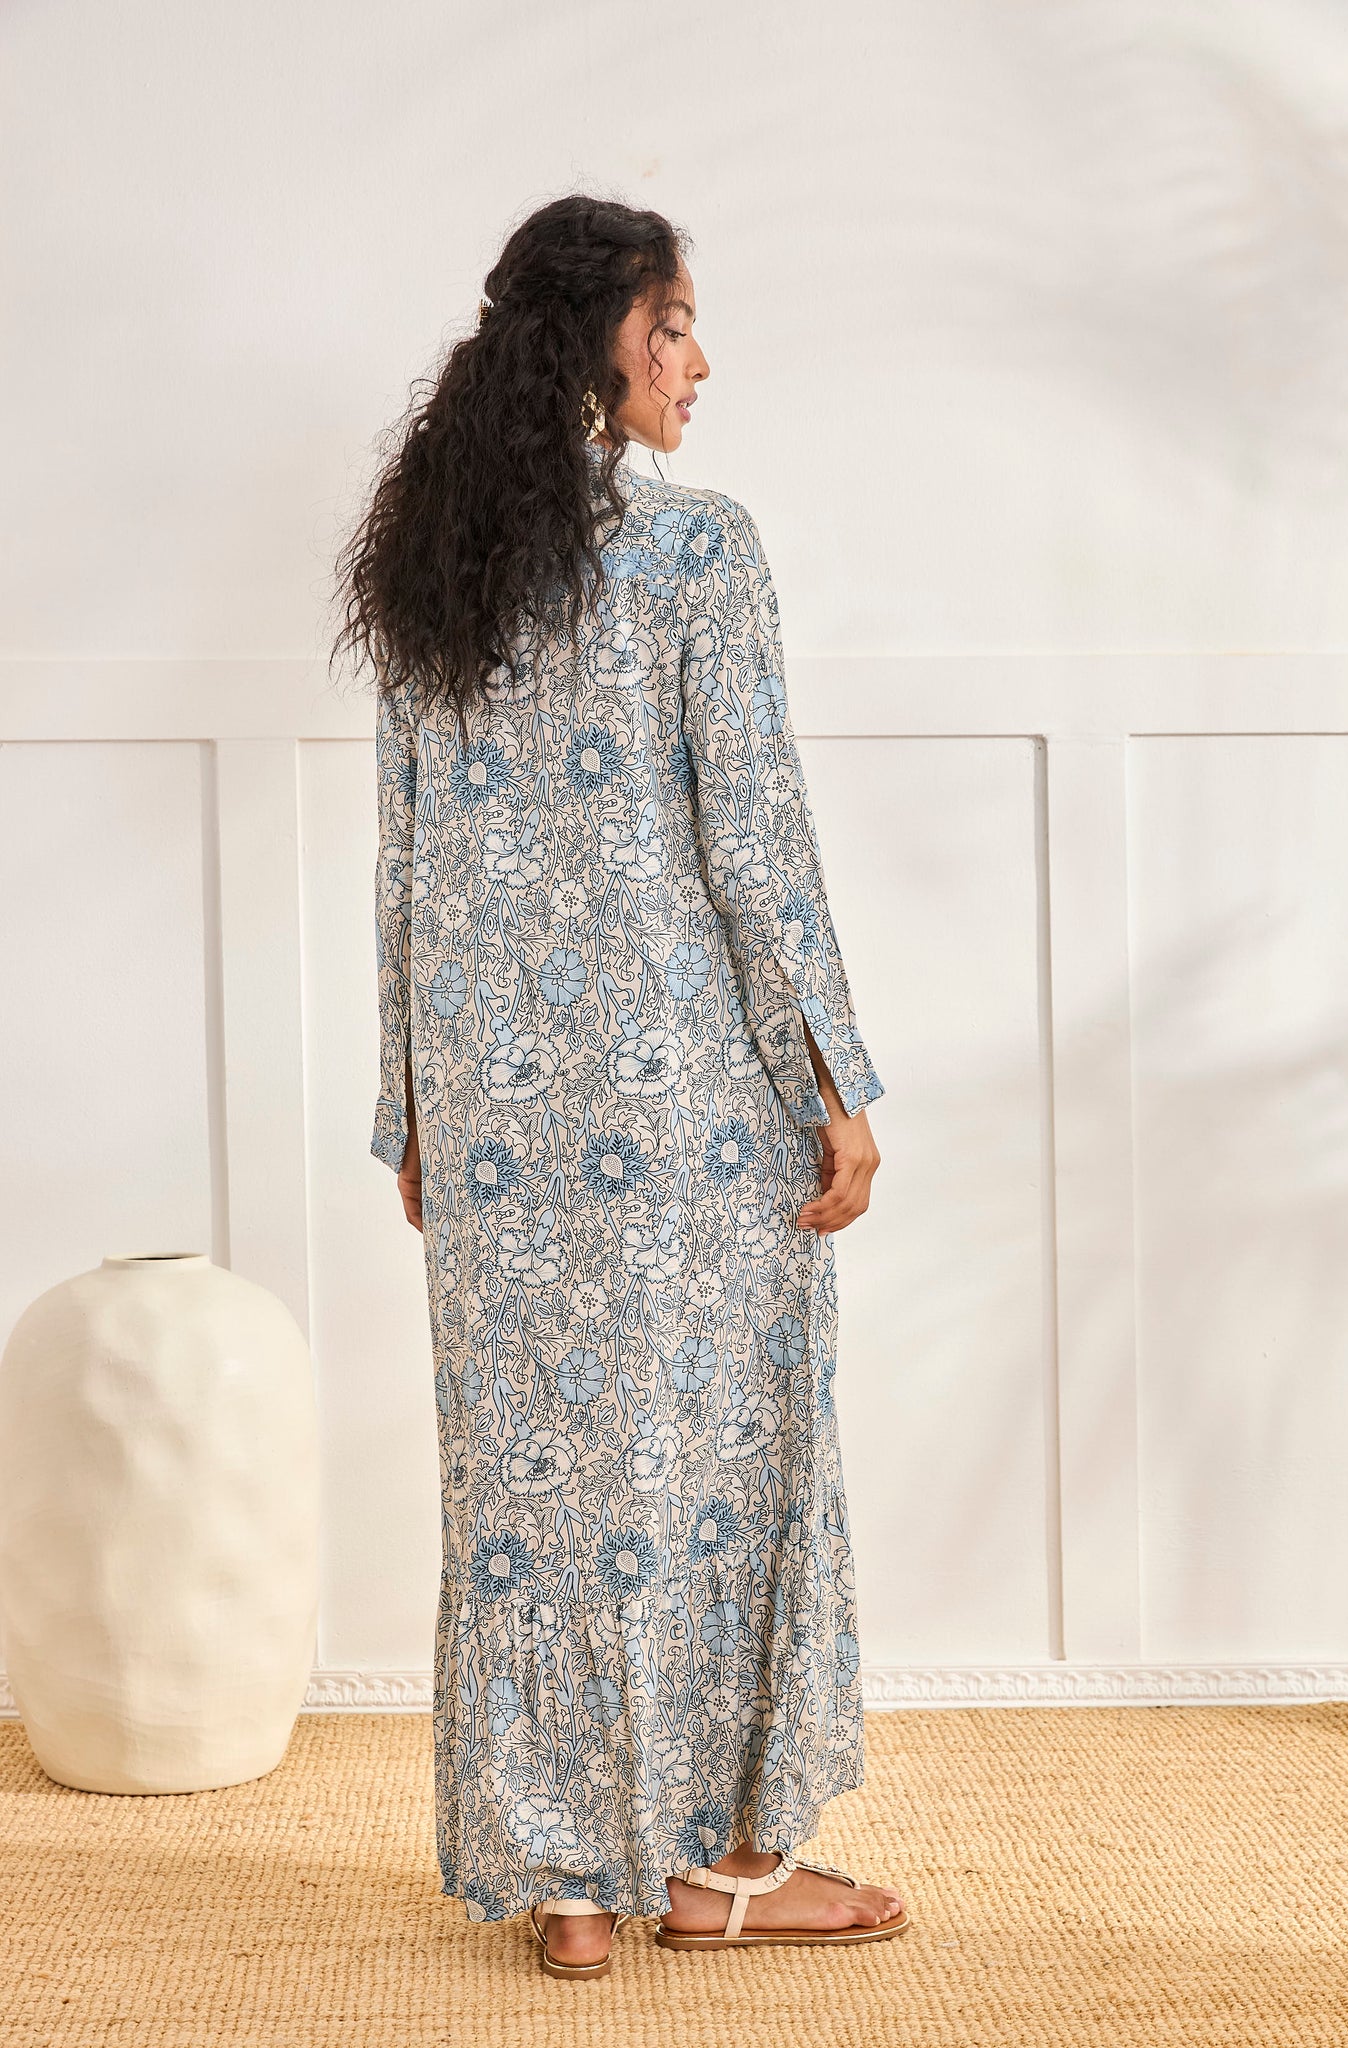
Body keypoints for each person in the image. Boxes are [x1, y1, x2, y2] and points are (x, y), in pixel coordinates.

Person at [334, 194, 906, 1980]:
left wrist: (413, 1109)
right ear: (598, 341)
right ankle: (718, 1870)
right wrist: (835, 1081)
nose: (699, 360)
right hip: (686, 1108)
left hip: (494, 1108)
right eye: (673, 325)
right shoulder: (698, 550)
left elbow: (407, 860)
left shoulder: (437, 561)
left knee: (524, 1483)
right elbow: (757, 842)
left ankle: (566, 1884)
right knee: (726, 1458)